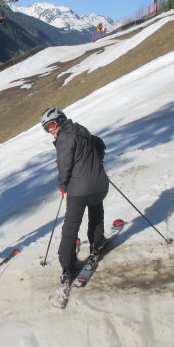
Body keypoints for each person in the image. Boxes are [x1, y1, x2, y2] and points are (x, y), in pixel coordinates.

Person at [40, 107, 109, 284]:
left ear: (61, 120)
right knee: (96, 210)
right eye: (46, 128)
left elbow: (64, 165)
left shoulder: (64, 137)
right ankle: (97, 242)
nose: (51, 130)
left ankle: (67, 264)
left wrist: (63, 185)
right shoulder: (80, 129)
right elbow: (99, 143)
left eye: (52, 125)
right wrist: (97, 162)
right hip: (100, 183)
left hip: (79, 189)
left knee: (71, 224)